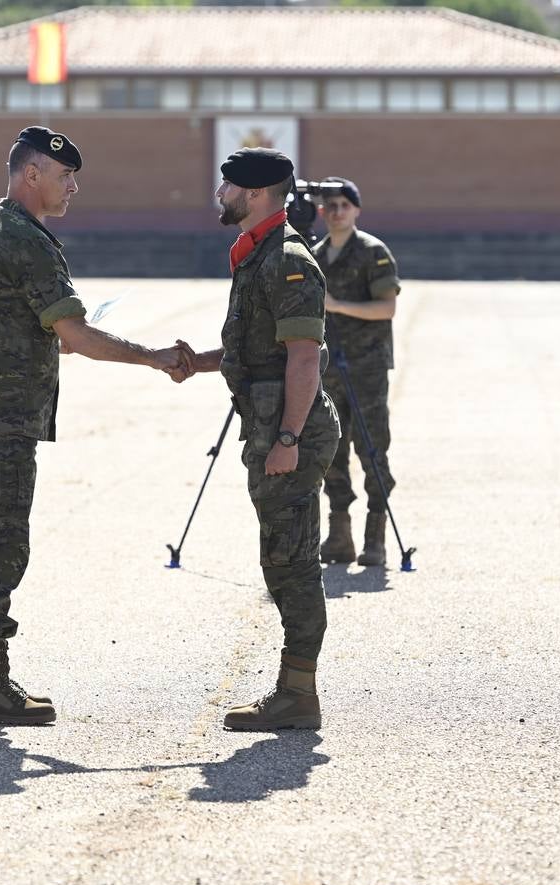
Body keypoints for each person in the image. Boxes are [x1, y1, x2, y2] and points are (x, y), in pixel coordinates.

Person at [0, 126, 188, 725]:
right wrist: (154, 356)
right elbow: (74, 335)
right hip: (0, 422)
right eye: (64, 176)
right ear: (32, 175)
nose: (72, 187)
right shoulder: (25, 241)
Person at [173, 148, 340, 731]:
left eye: (228, 186)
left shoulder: (288, 259)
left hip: (287, 430)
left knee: (292, 561)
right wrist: (198, 364)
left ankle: (298, 693)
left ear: (257, 193)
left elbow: (303, 357)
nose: (220, 194)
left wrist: (289, 436)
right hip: (271, 426)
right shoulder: (259, 254)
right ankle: (295, 689)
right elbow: (258, 351)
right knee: (282, 556)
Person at [312, 177, 400, 567]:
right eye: (330, 206)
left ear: (357, 210)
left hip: (367, 365)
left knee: (371, 447)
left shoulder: (373, 252)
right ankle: (339, 534)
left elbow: (386, 308)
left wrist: (336, 304)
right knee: (330, 449)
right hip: (326, 366)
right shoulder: (314, 254)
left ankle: (375, 536)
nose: (336, 212)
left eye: (344, 205)